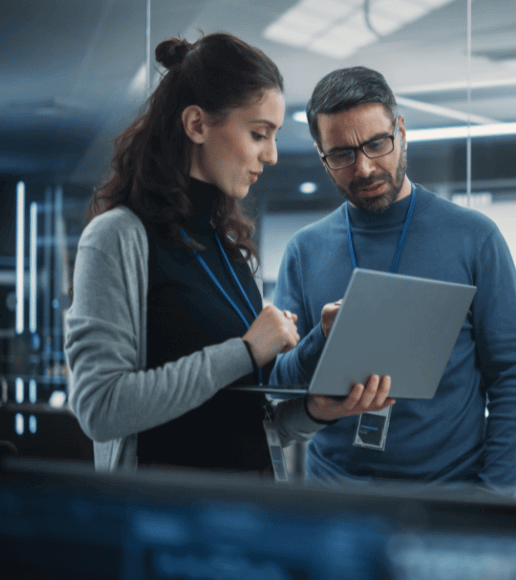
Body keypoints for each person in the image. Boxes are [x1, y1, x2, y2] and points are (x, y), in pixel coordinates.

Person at [64, 35, 394, 475]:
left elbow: (250, 421)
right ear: (197, 125)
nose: (272, 155)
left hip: (247, 515)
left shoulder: (232, 252)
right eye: (259, 134)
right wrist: (244, 351)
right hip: (161, 524)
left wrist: (316, 411)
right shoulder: (117, 238)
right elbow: (100, 409)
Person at [270, 66, 516, 494]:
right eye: (342, 155)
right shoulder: (305, 250)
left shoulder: (474, 238)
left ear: (402, 131)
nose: (365, 167)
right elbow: (281, 383)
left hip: (447, 496)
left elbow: (512, 377)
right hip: (334, 496)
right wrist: (322, 336)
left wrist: (493, 496)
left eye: (377, 143)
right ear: (322, 156)